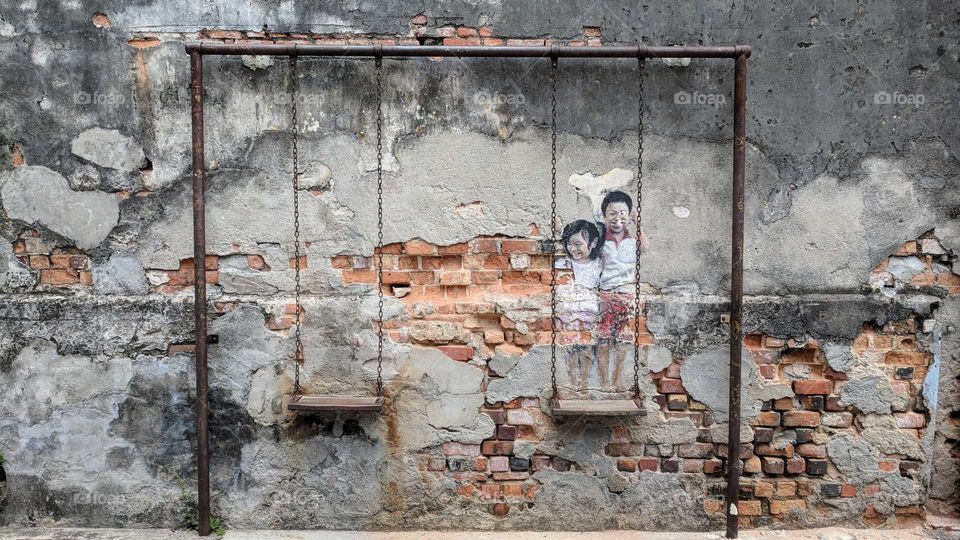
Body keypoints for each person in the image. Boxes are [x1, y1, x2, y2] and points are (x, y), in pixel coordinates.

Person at [596, 190, 647, 388]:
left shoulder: (632, 241)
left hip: (627, 294)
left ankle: (617, 380)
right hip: (607, 294)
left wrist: (637, 222)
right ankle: (603, 382)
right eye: (612, 214)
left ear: (629, 214)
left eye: (623, 213)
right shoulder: (601, 241)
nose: (618, 219)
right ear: (604, 216)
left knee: (624, 338)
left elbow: (645, 247)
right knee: (604, 338)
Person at [555, 220, 604, 391]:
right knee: (570, 349)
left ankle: (584, 383)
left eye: (578, 244)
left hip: (590, 314)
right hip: (568, 315)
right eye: (569, 244)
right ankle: (572, 382)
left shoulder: (598, 263)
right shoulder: (563, 264)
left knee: (587, 349)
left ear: (593, 243)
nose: (573, 248)